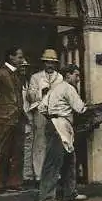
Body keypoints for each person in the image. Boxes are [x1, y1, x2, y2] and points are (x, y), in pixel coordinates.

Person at [37, 64, 102, 201]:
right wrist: (98, 107)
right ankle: (46, 198)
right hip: (60, 126)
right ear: (68, 75)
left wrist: (52, 116)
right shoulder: (69, 88)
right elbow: (80, 109)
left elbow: (41, 107)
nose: (78, 78)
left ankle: (70, 192)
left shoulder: (54, 89)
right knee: (53, 162)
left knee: (69, 160)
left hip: (57, 124)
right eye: (76, 75)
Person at [0, 47, 26, 194]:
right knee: (0, 152)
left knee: (17, 152)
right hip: (2, 120)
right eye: (19, 57)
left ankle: (13, 183)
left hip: (17, 119)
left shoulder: (16, 75)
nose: (22, 60)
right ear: (11, 57)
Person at [28, 49, 63, 185]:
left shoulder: (59, 77)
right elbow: (30, 95)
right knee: (40, 142)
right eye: (47, 62)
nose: (50, 65)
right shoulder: (35, 77)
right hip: (41, 111)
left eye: (52, 62)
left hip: (55, 112)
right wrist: (40, 93)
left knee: (55, 142)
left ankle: (55, 173)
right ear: (44, 63)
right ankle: (38, 174)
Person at [18, 58, 35, 187]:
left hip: (29, 119)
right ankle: (21, 177)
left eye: (25, 67)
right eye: (21, 67)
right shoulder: (15, 82)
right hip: (20, 119)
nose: (23, 69)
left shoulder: (27, 82)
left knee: (29, 148)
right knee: (20, 148)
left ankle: (28, 176)